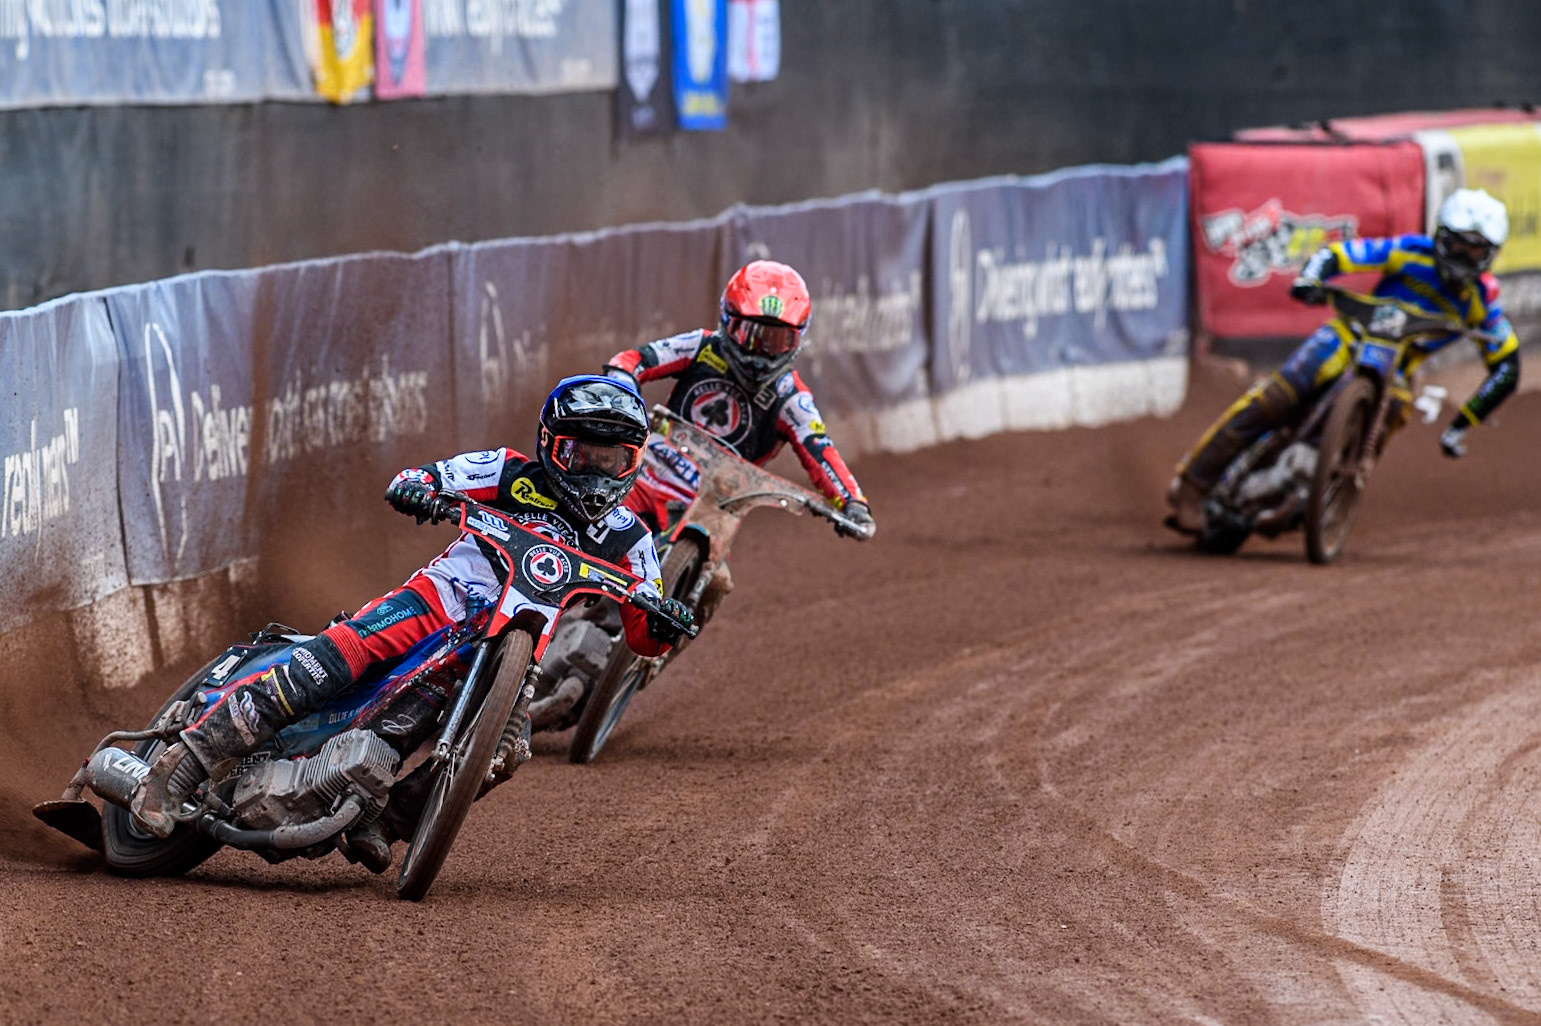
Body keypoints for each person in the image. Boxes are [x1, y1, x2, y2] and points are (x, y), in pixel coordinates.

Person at [128, 375, 692, 871]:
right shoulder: (507, 471)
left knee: (503, 751)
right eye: (582, 455)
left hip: (509, 649)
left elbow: (642, 634)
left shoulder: (631, 539)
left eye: (611, 459)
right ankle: (182, 765)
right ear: (551, 447)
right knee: (337, 656)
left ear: (633, 461)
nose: (595, 472)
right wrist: (418, 488)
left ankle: (385, 821)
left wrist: (664, 624)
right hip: (441, 598)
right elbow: (427, 476)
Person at [1167, 187, 1521, 534]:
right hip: (1350, 335)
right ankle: (1194, 482)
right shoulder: (1411, 251)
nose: (1462, 256)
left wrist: (1462, 423)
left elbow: (1508, 366)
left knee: (1397, 406)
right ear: (1440, 237)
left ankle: (1333, 488)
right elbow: (1340, 253)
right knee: (1285, 390)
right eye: (1458, 244)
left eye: (1475, 251)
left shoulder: (1482, 301)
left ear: (1490, 255)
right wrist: (1311, 279)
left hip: (1397, 370)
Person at [603, 259, 874, 573]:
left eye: (776, 340)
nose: (761, 353)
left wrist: (852, 501)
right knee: (593, 521)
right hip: (648, 476)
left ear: (797, 339)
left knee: (716, 580)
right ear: (728, 320)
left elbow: (819, 448)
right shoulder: (703, 346)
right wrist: (621, 385)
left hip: (712, 507)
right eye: (751, 335)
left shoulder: (790, 396)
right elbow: (636, 359)